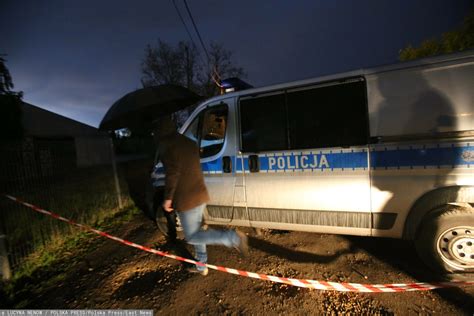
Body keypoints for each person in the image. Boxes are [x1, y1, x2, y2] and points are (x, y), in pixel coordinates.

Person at [156, 116, 248, 276]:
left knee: (192, 236)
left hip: (186, 199)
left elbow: (173, 172)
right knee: (198, 232)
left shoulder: (167, 146)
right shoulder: (188, 142)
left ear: (159, 132)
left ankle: (232, 238)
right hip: (199, 193)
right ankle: (201, 266)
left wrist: (168, 198)